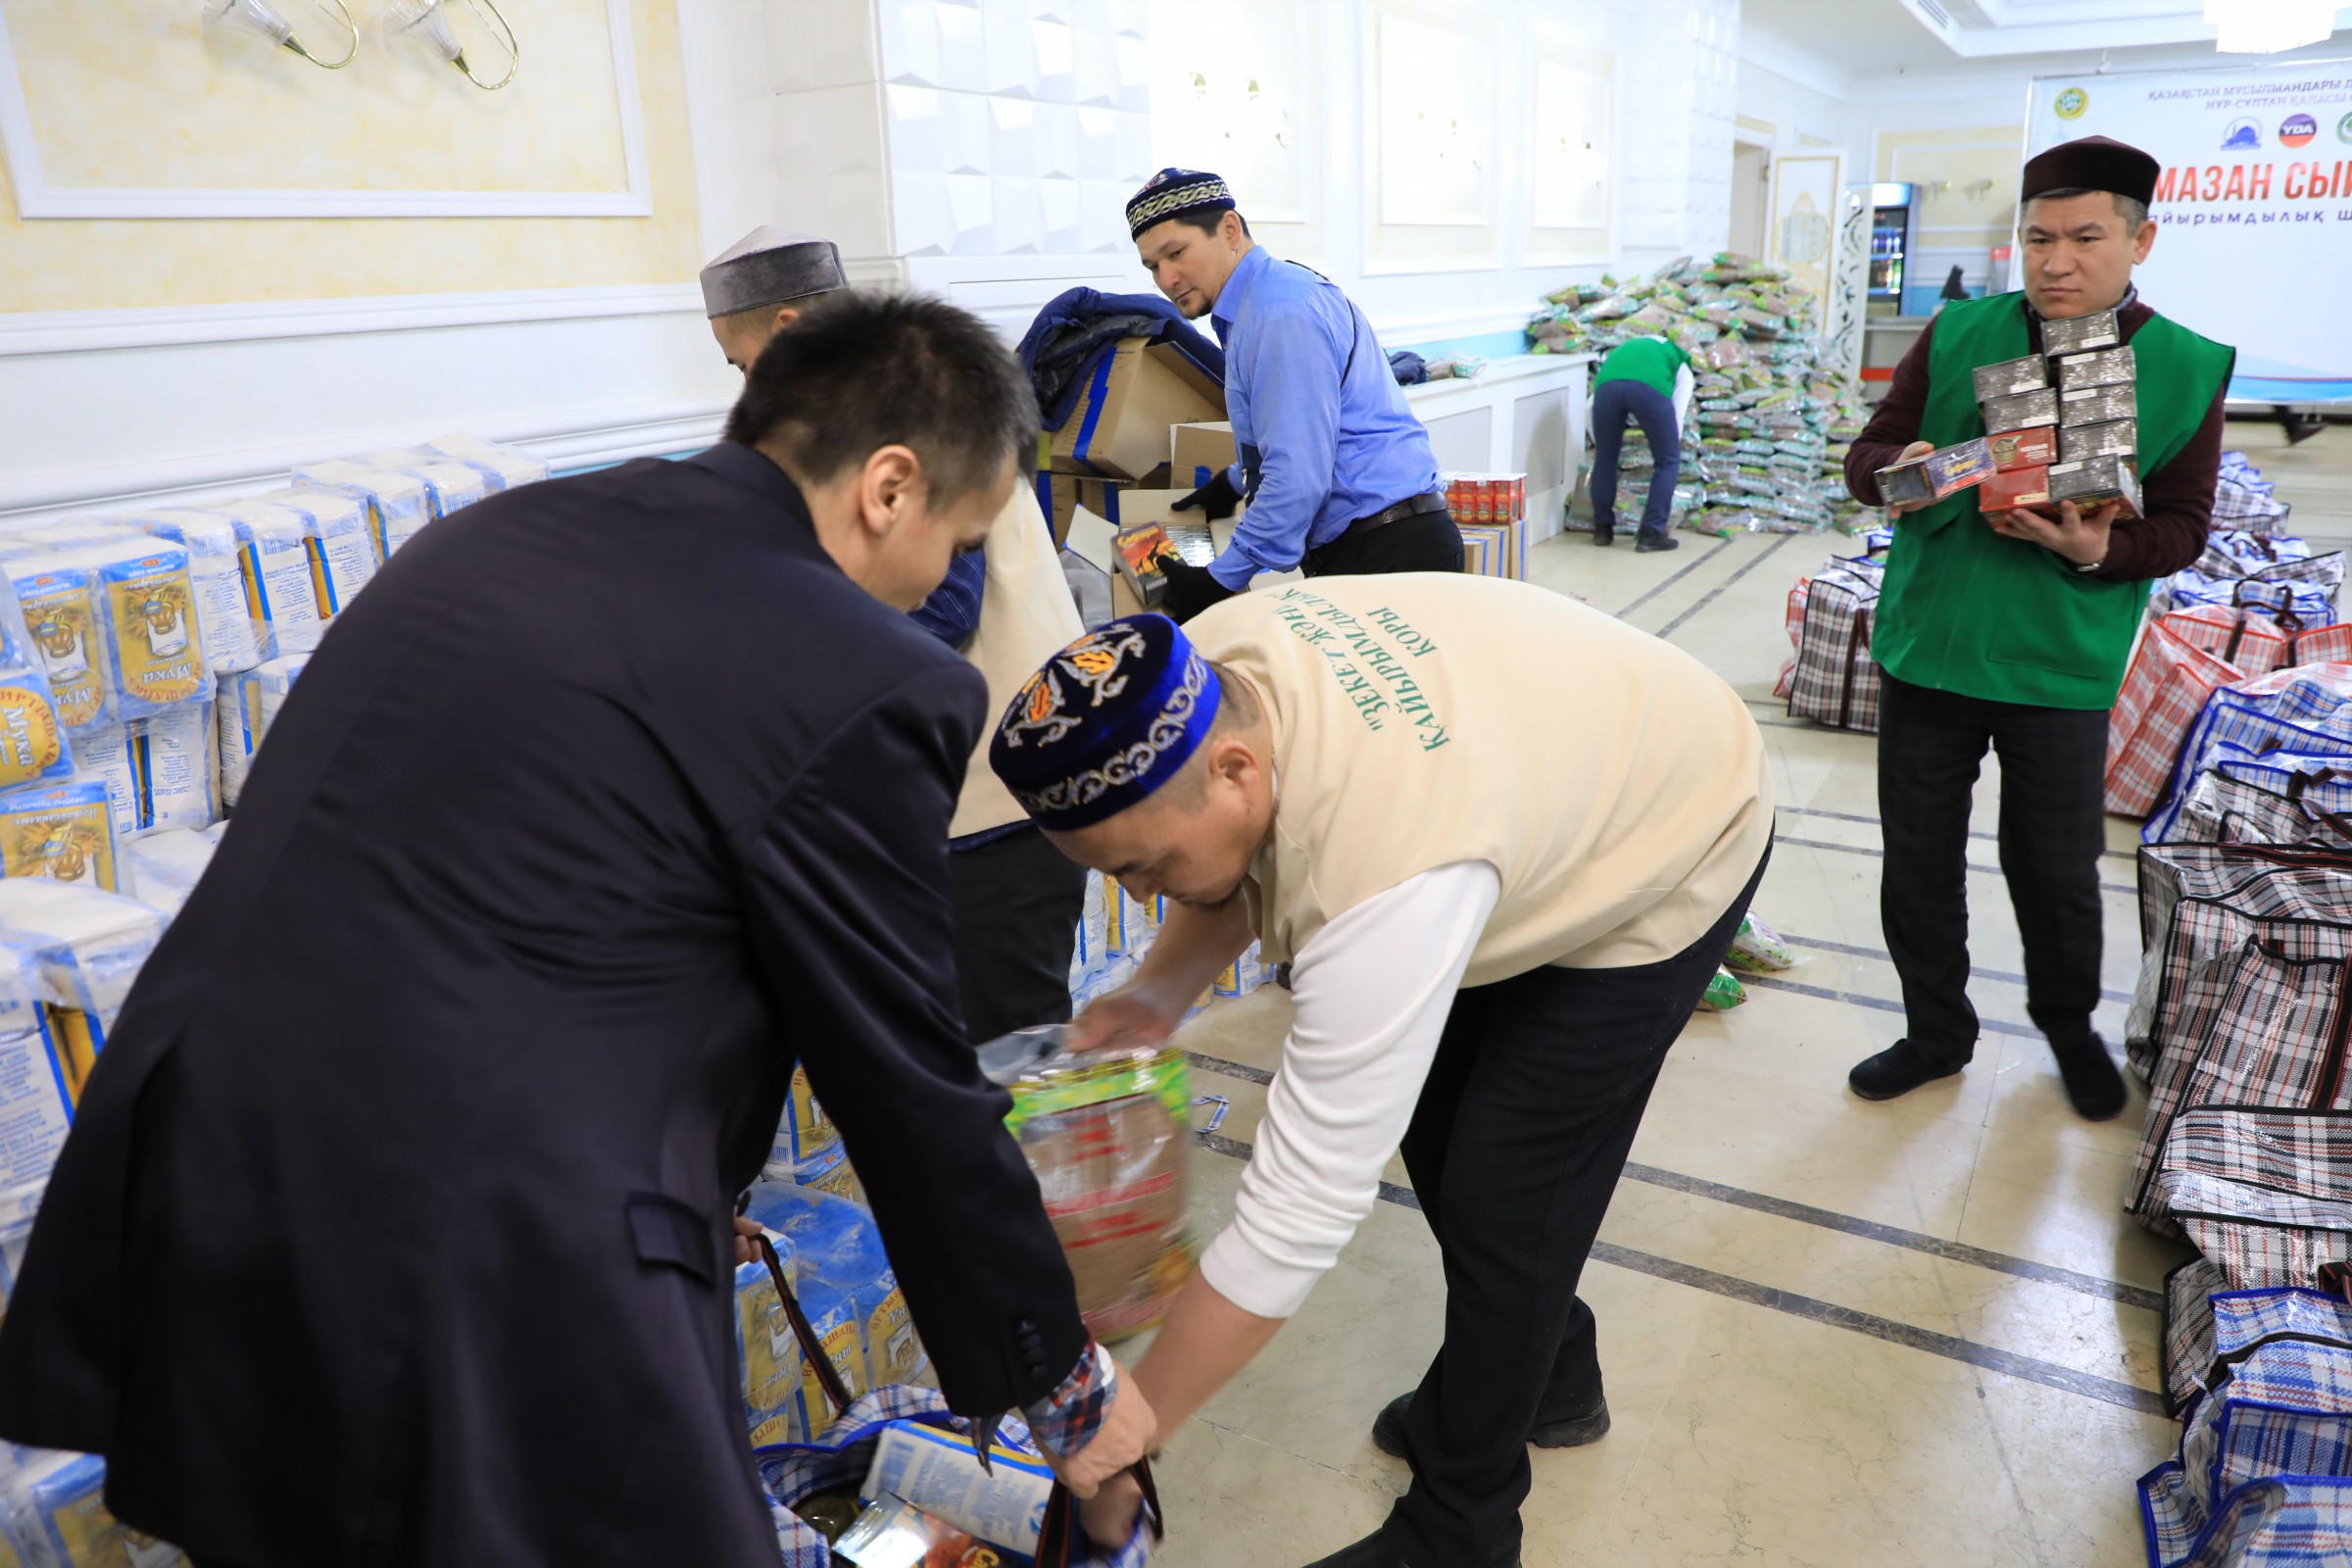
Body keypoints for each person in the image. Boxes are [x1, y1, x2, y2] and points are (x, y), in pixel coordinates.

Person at [0, 292, 1152, 1567]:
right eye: (964, 539)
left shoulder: (496, 536)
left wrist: (699, 1172)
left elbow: (537, 896)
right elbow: (907, 1081)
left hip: (200, 1164)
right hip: (475, 1247)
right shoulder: (869, 677)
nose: (948, 581)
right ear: (889, 488)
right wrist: (1070, 1394)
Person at [989, 577, 1775, 1568]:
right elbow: (1240, 849)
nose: (1141, 898)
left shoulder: (1389, 877)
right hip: (1529, 781)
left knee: (1509, 1195)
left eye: (1143, 867)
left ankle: (1462, 1527)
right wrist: (1158, 991)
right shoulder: (1205, 669)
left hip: (1674, 820)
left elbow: (1298, 1211)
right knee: (1440, 1139)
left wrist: (1130, 1429)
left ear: (1235, 768)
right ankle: (1553, 1373)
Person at [1841, 134, 2232, 1117]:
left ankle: (2067, 1026)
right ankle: (1936, 1032)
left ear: (2141, 240)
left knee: (2055, 871)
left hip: (2060, 662)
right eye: (2038, 238)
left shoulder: (2186, 365)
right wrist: (1900, 473)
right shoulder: (1962, 330)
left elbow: (2184, 525)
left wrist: (2096, 549)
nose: (2056, 262)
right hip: (1930, 646)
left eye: (2085, 238)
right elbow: (1871, 452)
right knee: (1917, 861)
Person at [703, 227, 1089, 1042]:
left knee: (1009, 1059)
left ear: (785, 329)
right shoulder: (899, 396)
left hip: (996, 806)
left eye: (741, 364)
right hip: (980, 792)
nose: (746, 391)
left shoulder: (906, 414)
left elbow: (936, 614)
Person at [1124, 169, 1457, 620]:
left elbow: (1297, 474)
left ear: (1229, 229)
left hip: (1389, 554)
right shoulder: (1260, 302)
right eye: (1152, 267)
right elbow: (1306, 431)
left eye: (1176, 253)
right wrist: (1235, 483)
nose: (1167, 279)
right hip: (1377, 543)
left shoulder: (1279, 312)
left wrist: (1219, 579)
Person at [1585, 331, 1694, 552]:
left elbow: (1590, 407)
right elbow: (1678, 413)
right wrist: (1670, 443)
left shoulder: (1625, 350)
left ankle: (1602, 529)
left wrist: (1600, 443)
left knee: (1604, 460)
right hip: (1648, 391)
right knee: (1667, 462)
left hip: (1606, 389)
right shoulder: (1680, 361)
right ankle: (1651, 533)